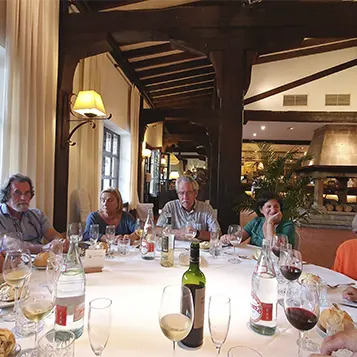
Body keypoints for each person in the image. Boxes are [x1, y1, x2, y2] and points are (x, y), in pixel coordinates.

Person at [0, 173, 65, 254]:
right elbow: (12, 245)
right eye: (17, 193)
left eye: (27, 193)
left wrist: (59, 242)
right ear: (6, 195)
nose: (23, 198)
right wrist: (43, 248)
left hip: (39, 263)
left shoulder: (37, 215)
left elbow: (53, 234)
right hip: (10, 264)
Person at [156, 175, 220, 241]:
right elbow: (157, 230)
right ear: (177, 194)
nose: (185, 197)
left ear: (195, 193)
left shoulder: (206, 208)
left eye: (189, 193)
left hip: (199, 249)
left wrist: (197, 233)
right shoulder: (170, 207)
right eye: (181, 193)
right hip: (176, 249)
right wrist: (178, 232)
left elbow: (217, 234)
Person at [222, 191, 295, 247]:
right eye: (268, 207)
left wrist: (270, 223)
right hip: (252, 260)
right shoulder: (257, 221)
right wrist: (228, 238)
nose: (273, 210)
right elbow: (239, 237)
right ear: (261, 210)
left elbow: (274, 248)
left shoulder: (287, 226)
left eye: (276, 207)